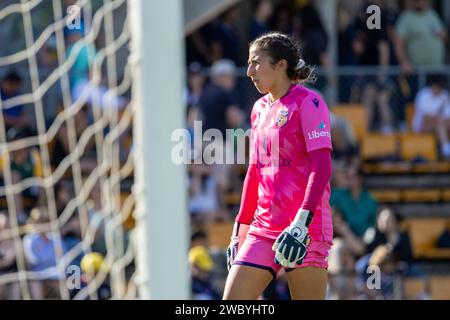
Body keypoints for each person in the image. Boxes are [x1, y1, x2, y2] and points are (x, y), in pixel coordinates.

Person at [223, 32, 333, 300]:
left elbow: (322, 166)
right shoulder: (258, 108)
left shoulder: (310, 102)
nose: (249, 71)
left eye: (256, 63)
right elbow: (254, 171)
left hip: (305, 228)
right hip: (262, 229)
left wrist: (302, 222)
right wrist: (240, 231)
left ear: (281, 64)